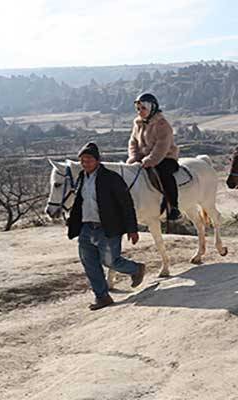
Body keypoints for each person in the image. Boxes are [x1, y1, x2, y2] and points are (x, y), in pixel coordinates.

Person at [69, 142, 145, 311]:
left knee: (110, 261)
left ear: (97, 160)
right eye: (82, 160)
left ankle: (136, 268)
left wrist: (132, 229)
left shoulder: (111, 178)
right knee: (89, 263)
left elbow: (126, 204)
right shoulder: (81, 177)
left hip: (108, 228)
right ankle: (102, 297)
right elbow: (79, 203)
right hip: (87, 228)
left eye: (88, 160)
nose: (85, 163)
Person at [127, 93, 182, 221]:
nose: (140, 111)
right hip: (143, 159)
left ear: (152, 108)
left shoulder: (162, 125)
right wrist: (134, 157)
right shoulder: (137, 124)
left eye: (143, 108)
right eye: (138, 109)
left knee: (164, 173)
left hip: (165, 158)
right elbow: (133, 142)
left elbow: (162, 147)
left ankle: (173, 207)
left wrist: (150, 161)